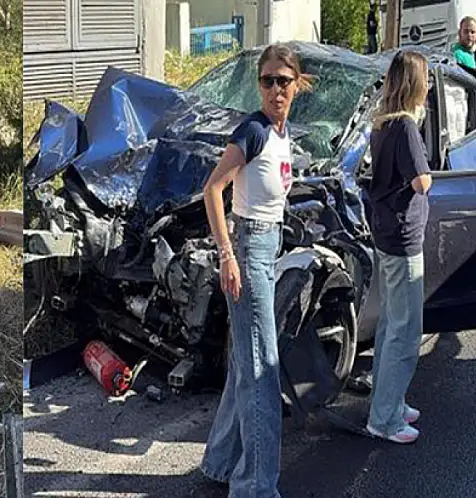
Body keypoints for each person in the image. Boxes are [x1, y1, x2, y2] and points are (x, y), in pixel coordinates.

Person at [199, 44, 312, 497]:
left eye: (283, 81)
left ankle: (221, 462)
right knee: (263, 369)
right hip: (248, 252)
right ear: (259, 85)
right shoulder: (254, 130)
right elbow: (213, 189)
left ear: (296, 85)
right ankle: (255, 487)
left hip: (268, 245)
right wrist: (227, 254)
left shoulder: (282, 132)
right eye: (267, 81)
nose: (275, 89)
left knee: (247, 362)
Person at [365, 50, 432, 444]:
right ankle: (385, 419)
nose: (429, 86)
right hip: (404, 239)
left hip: (387, 233)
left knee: (391, 325)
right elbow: (421, 181)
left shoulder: (382, 123)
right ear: (415, 84)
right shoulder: (406, 126)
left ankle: (389, 401)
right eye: (426, 79)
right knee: (405, 333)